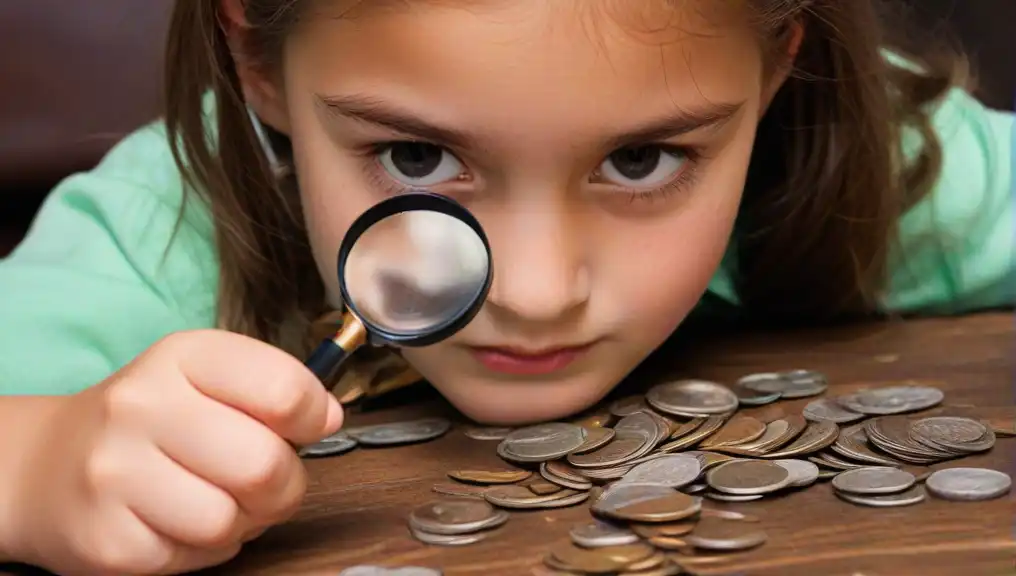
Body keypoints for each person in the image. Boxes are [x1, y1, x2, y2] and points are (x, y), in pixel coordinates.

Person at [0, 0, 1012, 573]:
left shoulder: (884, 163)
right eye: (409, 157)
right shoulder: (155, 231)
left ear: (776, 67)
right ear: (254, 59)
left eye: (641, 161)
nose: (531, 290)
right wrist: (34, 468)